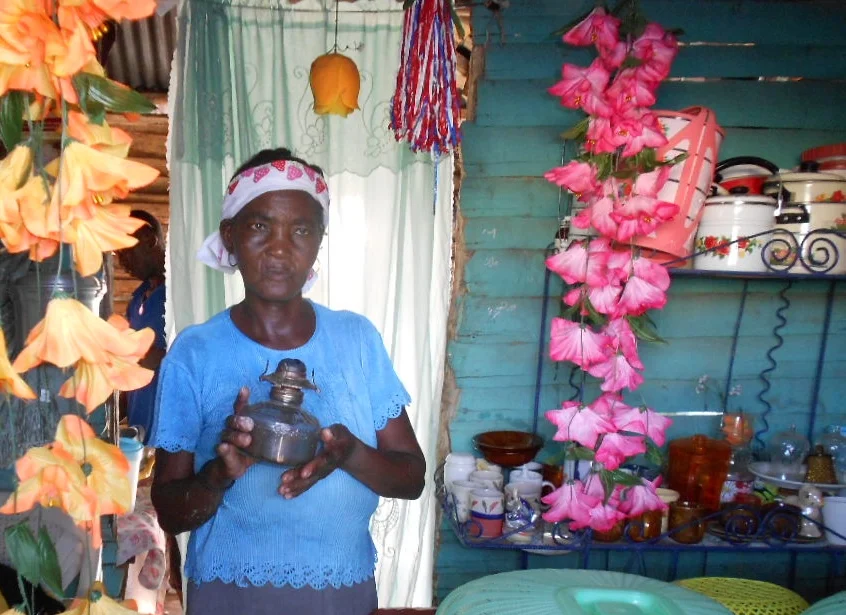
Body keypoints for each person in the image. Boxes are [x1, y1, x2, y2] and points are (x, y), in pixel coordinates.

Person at [149, 148, 426, 615]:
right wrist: (221, 473)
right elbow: (171, 511)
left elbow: (411, 477)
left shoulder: (356, 340)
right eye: (260, 226)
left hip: (341, 594)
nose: (280, 248)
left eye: (301, 229)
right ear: (229, 237)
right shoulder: (195, 354)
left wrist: (348, 454)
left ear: (320, 241)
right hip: (231, 596)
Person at [117, 210, 167, 443]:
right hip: (140, 431)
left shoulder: (181, 294)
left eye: (126, 250)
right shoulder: (138, 298)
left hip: (169, 429)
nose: (122, 262)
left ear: (149, 240)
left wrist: (132, 355)